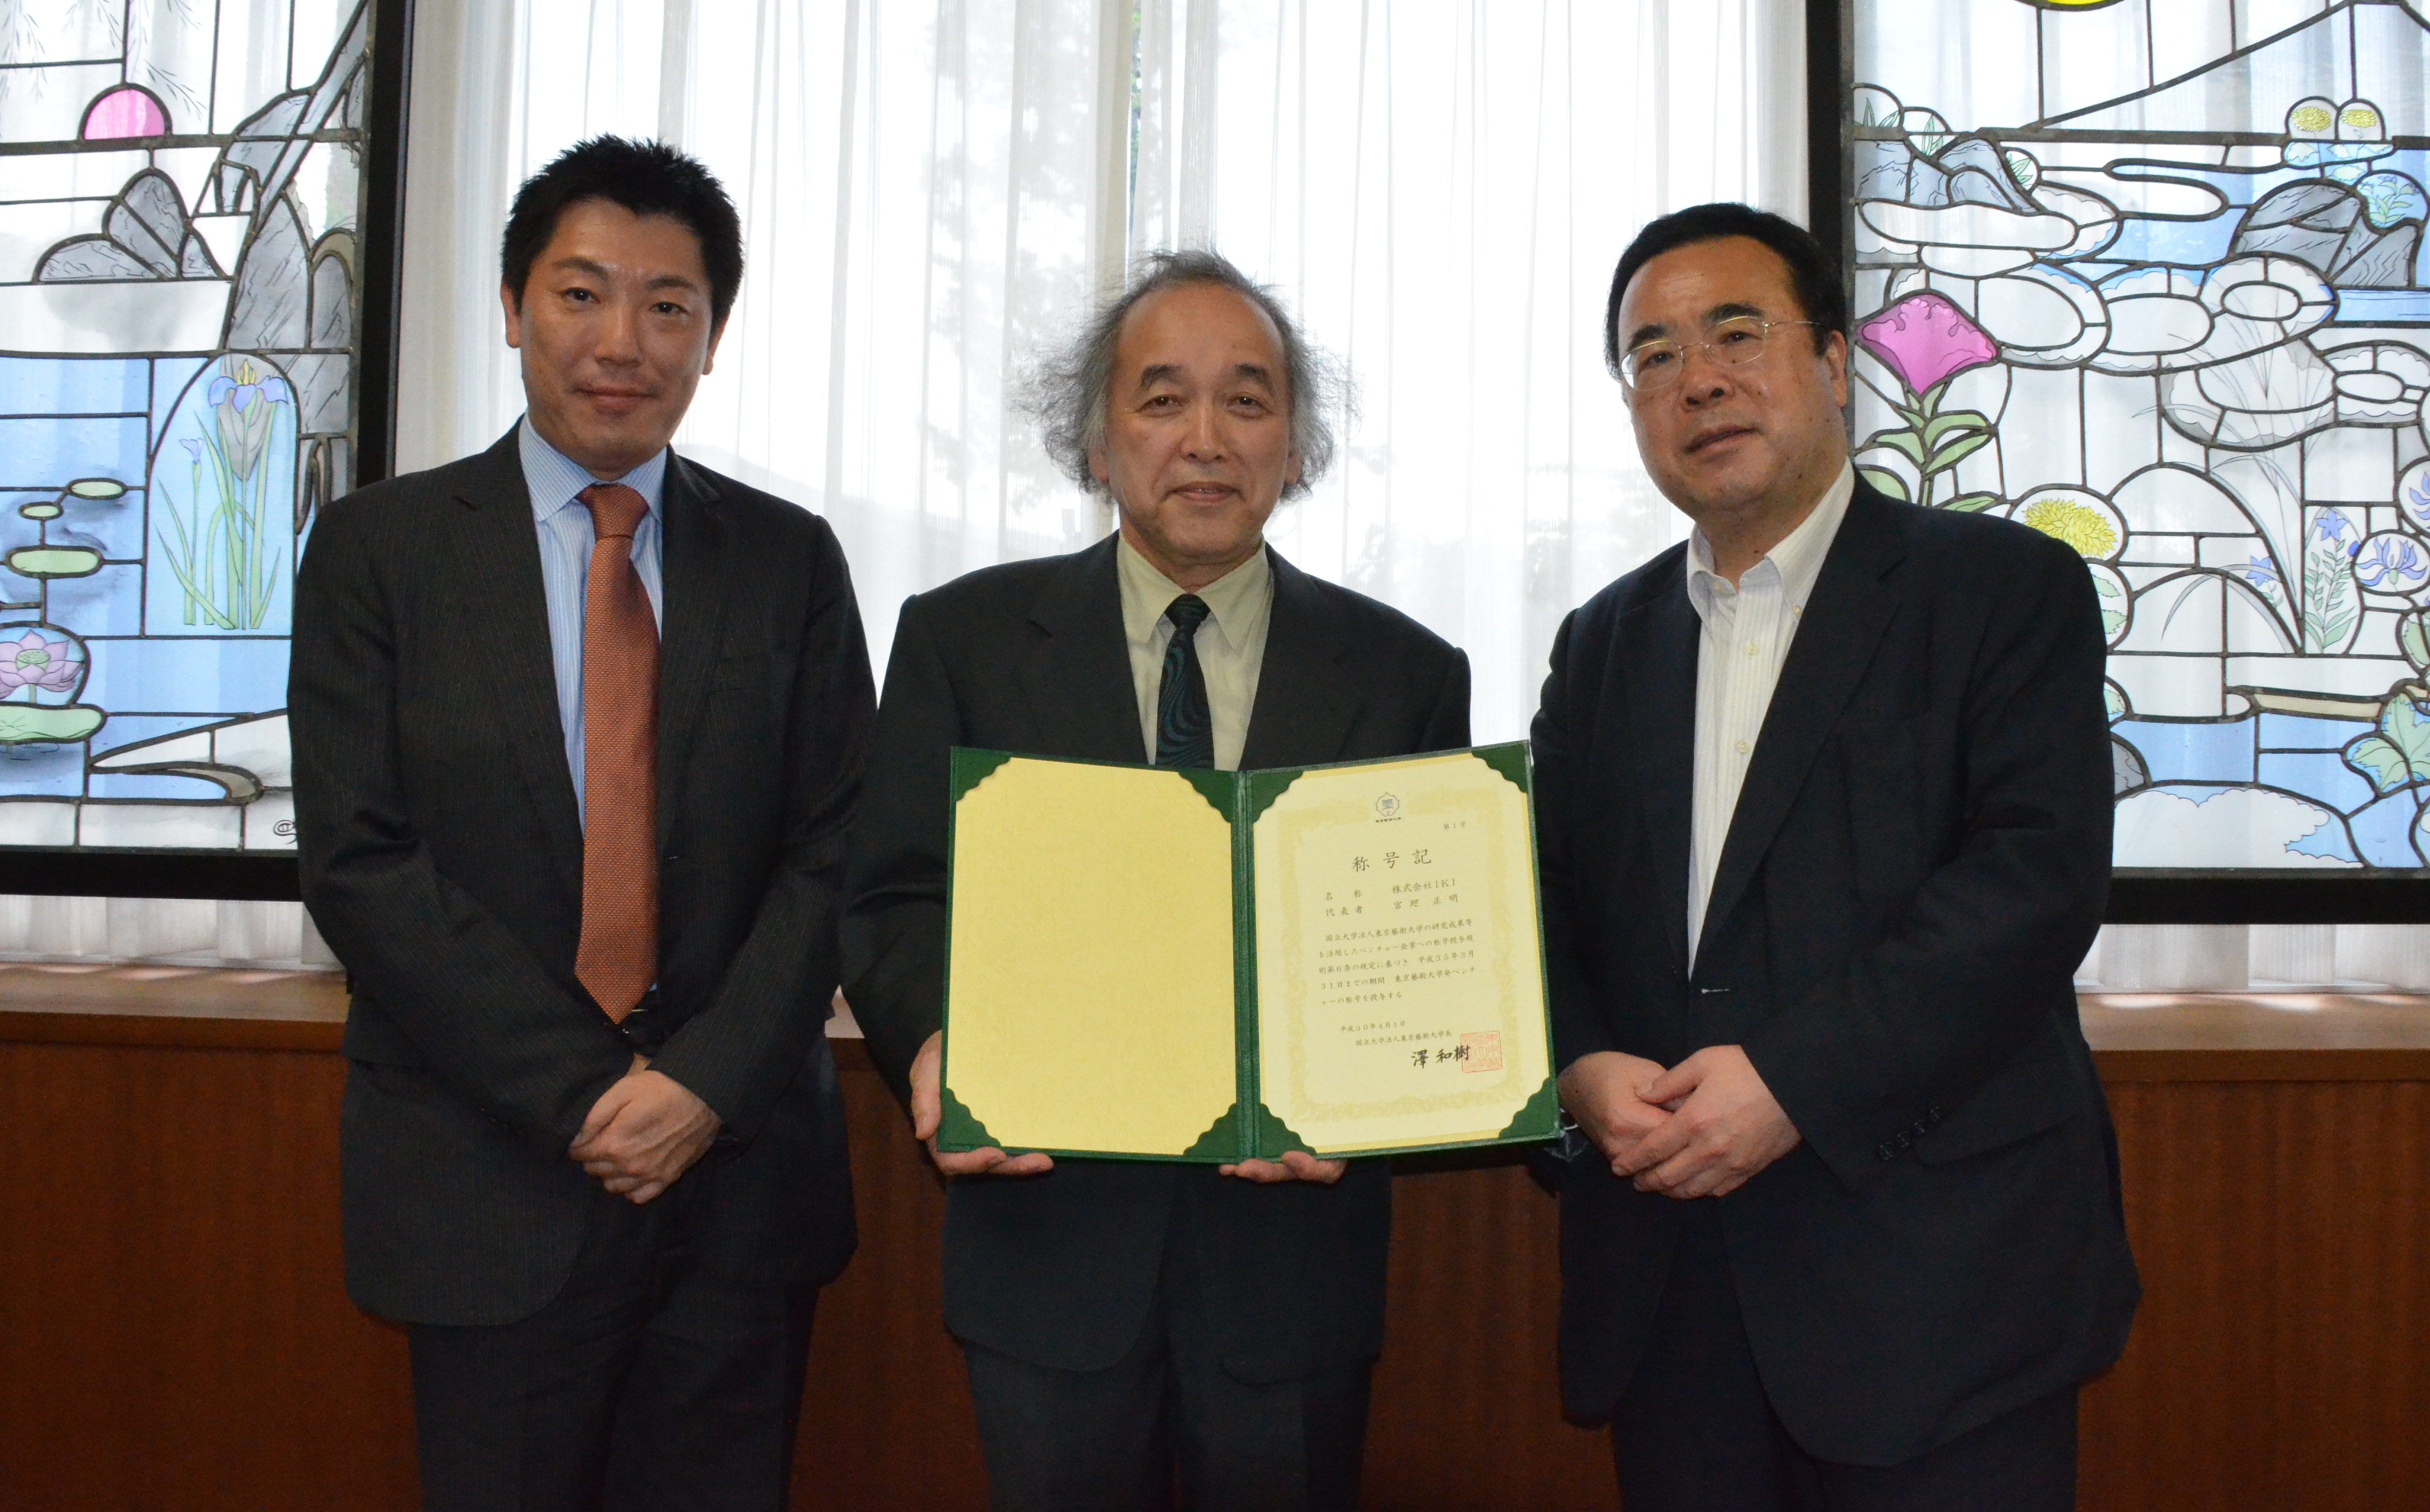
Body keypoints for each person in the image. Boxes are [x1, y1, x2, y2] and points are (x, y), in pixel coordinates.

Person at [291, 136, 872, 1512]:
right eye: (582, 294)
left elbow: (840, 845)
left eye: (670, 305)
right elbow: (361, 862)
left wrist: (700, 1089)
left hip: (738, 1189)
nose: (625, 341)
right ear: (510, 309)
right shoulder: (382, 550)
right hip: (483, 1179)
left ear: (713, 338)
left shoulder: (789, 560)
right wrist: (592, 1096)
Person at [840, 250, 1469, 1511]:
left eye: (1247, 400)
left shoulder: (1405, 669)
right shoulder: (961, 639)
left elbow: (1428, 943)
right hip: (1047, 1251)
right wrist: (932, 1044)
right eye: (1160, 397)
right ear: (1093, 441)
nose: (1204, 439)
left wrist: (1363, 1102)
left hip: (1292, 1266)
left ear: (1296, 446)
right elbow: (895, 894)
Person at [1533, 204, 2139, 1511]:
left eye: (1734, 332)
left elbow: (2034, 884)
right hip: (1671, 1295)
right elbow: (1542, 908)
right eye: (1652, 356)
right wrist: (1580, 1066)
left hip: (1938, 1291)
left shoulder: (2001, 591)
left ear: (1834, 362)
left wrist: (1797, 1082)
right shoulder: (1602, 644)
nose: (1696, 377)